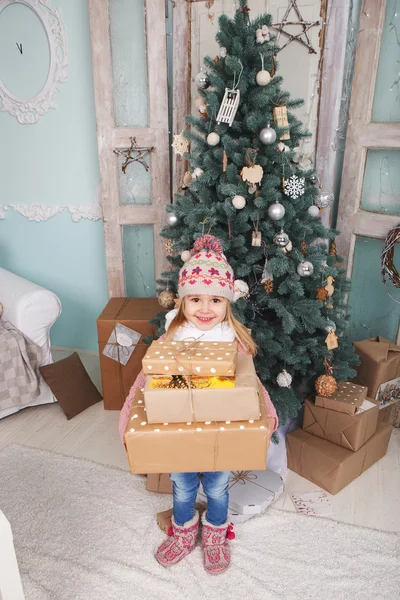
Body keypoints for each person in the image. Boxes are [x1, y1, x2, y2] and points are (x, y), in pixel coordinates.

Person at [119, 235, 278, 575]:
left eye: (215, 300)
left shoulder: (233, 343)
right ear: (182, 301)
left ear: (227, 303)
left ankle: (216, 535)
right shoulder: (169, 339)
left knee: (218, 486)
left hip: (220, 433)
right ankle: (184, 531)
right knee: (183, 484)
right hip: (179, 433)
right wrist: (128, 419)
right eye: (195, 299)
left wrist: (268, 417)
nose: (205, 309)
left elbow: (253, 387)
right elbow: (145, 383)